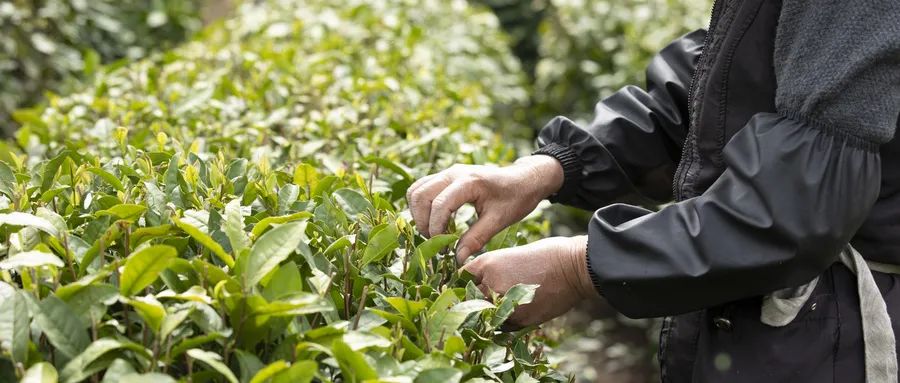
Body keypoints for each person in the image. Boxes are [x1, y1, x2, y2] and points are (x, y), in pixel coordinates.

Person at [407, 0, 900, 381]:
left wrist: (577, 267)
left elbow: (796, 208)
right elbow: (727, 84)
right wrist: (550, 167)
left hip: (837, 336)